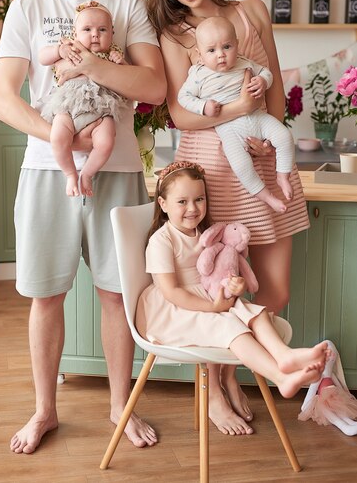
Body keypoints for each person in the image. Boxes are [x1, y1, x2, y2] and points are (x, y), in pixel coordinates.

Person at [0, 0, 165, 454]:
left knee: (117, 294)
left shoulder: (128, 4)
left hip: (117, 173)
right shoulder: (28, 8)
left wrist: (93, 66)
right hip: (48, 171)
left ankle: (120, 406)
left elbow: (155, 86)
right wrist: (63, 138)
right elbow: (2, 99)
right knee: (46, 296)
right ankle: (44, 411)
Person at [146, 0, 309, 436]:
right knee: (217, 284)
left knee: (273, 290)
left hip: (262, 160)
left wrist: (268, 133)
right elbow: (179, 112)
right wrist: (239, 112)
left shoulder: (253, 11)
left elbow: (275, 82)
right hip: (211, 172)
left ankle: (231, 374)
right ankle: (215, 387)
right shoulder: (174, 35)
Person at [136, 161, 327, 400]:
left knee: (254, 312)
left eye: (199, 199)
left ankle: (284, 355)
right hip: (170, 311)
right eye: (182, 202)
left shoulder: (207, 235)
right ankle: (280, 378)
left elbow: (218, 275)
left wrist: (235, 285)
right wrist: (213, 307)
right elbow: (171, 292)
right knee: (231, 327)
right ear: (163, 204)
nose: (193, 208)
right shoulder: (162, 241)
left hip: (203, 298)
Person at [178, 16, 294, 213]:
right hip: (229, 128)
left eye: (227, 47)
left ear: (237, 45)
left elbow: (266, 72)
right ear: (200, 54)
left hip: (258, 118)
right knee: (240, 165)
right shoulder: (198, 74)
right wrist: (203, 106)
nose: (221, 55)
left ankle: (282, 175)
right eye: (212, 50)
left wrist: (263, 82)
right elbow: (183, 97)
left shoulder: (245, 63)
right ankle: (266, 196)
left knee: (285, 136)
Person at [39, 1, 128, 197]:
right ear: (75, 32)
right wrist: (58, 51)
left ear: (112, 34)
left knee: (106, 142)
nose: (95, 34)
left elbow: (127, 80)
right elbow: (42, 57)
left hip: (101, 108)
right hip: (68, 105)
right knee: (58, 137)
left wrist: (120, 63)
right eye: (87, 29)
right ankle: (70, 174)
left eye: (102, 29)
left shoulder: (112, 53)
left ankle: (87, 174)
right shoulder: (70, 46)